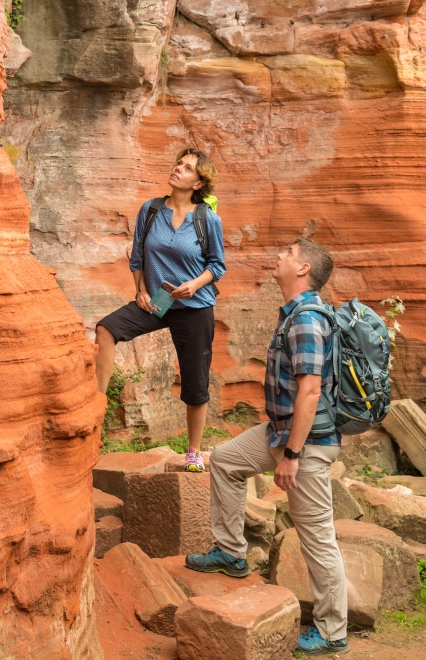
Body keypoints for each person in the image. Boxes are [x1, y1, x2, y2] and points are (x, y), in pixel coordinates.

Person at [183, 239, 351, 656]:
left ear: (303, 267)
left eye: (289, 252)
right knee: (224, 459)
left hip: (305, 443)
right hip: (279, 432)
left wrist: (292, 456)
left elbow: (310, 393)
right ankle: (231, 553)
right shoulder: (294, 313)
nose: (280, 256)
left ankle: (333, 632)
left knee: (315, 535)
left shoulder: (307, 319)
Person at [94, 148, 227, 472]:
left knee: (195, 383)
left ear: (198, 183)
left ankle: (194, 450)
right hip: (157, 301)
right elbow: (137, 256)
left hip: (194, 305)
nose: (178, 169)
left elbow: (217, 266)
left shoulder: (207, 218)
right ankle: (95, 412)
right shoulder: (151, 210)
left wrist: (195, 285)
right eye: (179, 163)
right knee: (106, 329)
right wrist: (139, 290)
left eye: (188, 167)